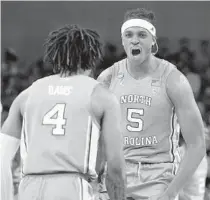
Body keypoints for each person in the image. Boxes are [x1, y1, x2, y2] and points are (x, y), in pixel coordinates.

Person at [0, 24, 126, 200]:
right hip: (73, 188)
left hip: (29, 189)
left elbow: (2, 156)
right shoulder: (102, 96)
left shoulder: (27, 94)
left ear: (54, 57)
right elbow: (115, 167)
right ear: (93, 58)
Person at [97, 8, 206, 200]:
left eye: (142, 35)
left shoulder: (174, 80)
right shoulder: (107, 78)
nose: (134, 40)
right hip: (115, 175)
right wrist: (93, 176)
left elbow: (197, 145)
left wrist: (171, 192)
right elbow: (95, 137)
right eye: (128, 35)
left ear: (153, 41)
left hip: (157, 178)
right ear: (122, 40)